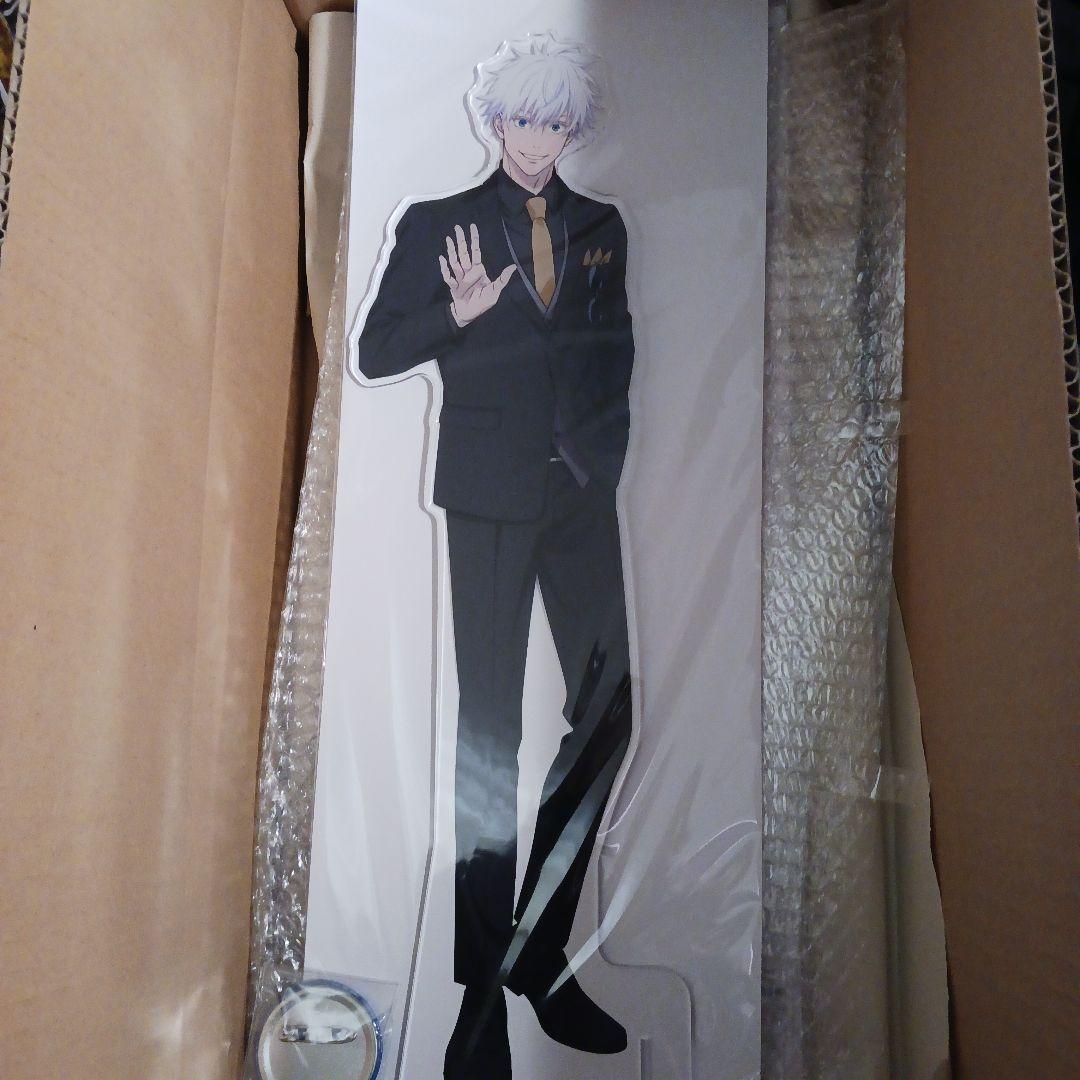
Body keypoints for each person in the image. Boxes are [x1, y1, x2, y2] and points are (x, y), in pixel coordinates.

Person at [354, 32, 635, 1078]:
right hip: (485, 500)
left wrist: (602, 465)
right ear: (494, 119)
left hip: (578, 499)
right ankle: (479, 999)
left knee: (610, 712)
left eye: (554, 122)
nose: (535, 140)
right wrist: (455, 315)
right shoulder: (441, 223)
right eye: (521, 118)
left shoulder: (601, 227)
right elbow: (377, 349)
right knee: (487, 735)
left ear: (573, 129)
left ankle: (539, 951)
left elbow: (615, 351)